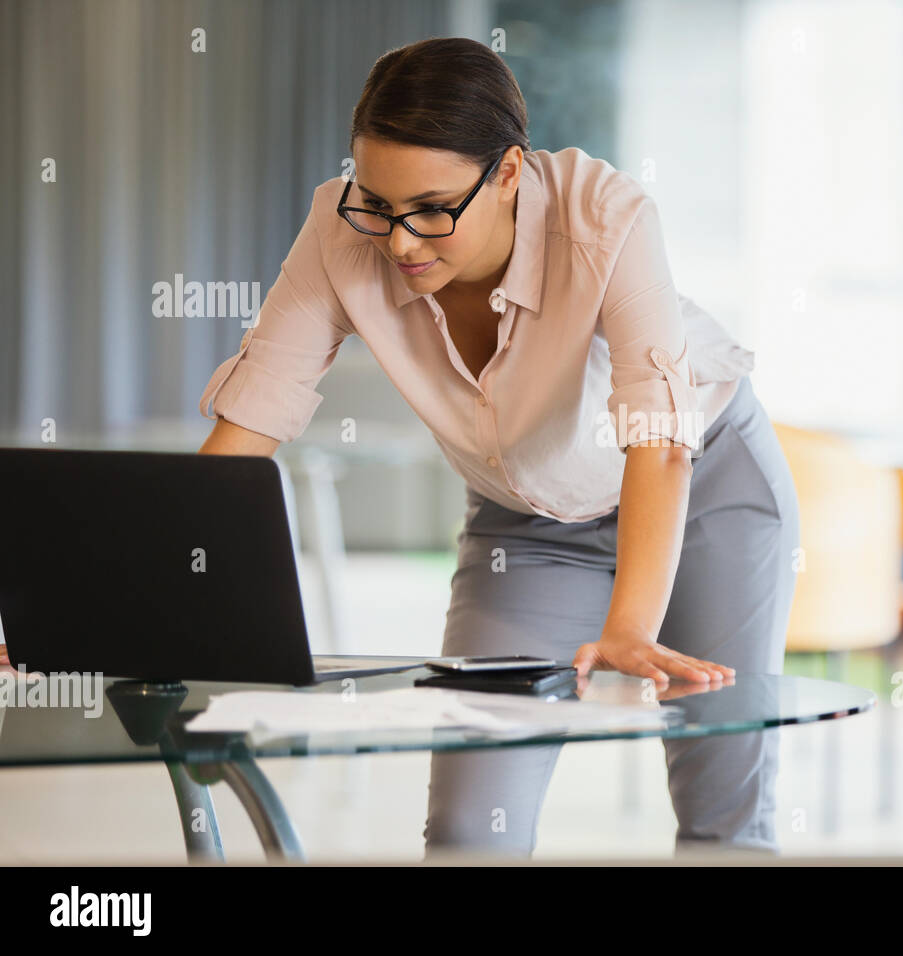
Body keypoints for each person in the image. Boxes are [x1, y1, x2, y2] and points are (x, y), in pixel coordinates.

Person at [196, 36, 799, 856]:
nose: (401, 242)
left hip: (705, 486)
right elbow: (248, 427)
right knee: (468, 825)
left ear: (510, 172)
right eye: (376, 203)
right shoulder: (341, 233)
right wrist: (110, 612)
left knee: (722, 808)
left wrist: (630, 625)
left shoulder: (604, 215)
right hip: (527, 529)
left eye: (433, 209)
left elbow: (658, 440)